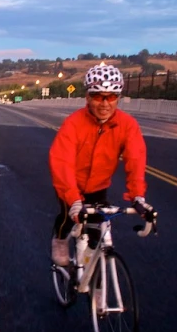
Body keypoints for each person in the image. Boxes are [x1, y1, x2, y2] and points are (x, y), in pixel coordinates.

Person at [48, 63, 152, 267]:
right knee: (67, 218)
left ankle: (95, 284)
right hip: (71, 184)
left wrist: (138, 196)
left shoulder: (127, 125)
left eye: (111, 97)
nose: (105, 103)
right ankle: (60, 240)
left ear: (118, 98)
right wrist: (73, 198)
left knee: (97, 235)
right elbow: (61, 161)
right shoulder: (74, 123)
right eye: (98, 96)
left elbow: (136, 159)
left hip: (98, 185)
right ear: (87, 97)